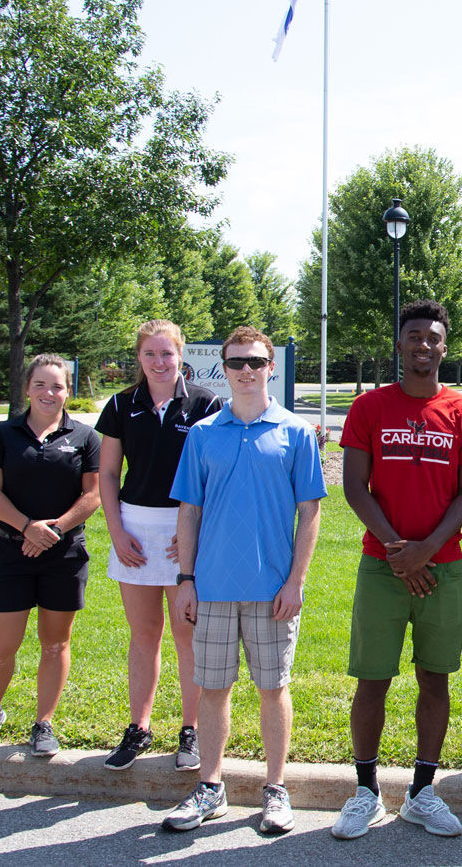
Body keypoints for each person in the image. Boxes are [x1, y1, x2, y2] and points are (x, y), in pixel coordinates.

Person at [332, 300, 462, 841]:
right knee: (371, 680)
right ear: (400, 345)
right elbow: (356, 487)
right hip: (382, 567)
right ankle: (366, 791)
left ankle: (423, 792)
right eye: (414, 335)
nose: (424, 344)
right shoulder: (369, 408)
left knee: (434, 679)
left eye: (433, 337)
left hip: (442, 568)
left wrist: (427, 551)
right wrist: (401, 552)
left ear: (446, 348)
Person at [161, 327, 325, 835]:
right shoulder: (204, 434)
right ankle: (210, 787)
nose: (246, 370)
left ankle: (275, 789)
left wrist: (296, 581)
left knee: (273, 688)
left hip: (273, 590)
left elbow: (310, 513)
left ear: (270, 367)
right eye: (236, 363)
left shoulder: (296, 433)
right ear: (223, 369)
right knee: (212, 689)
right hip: (210, 587)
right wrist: (185, 579)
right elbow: (188, 511)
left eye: (256, 361)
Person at [96, 320, 222, 771]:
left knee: (187, 637)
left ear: (181, 355)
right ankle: (139, 727)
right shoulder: (119, 405)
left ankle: (190, 731)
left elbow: (214, 475)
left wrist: (193, 531)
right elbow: (107, 475)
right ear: (139, 358)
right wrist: (116, 532)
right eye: (150, 354)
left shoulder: (206, 403)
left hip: (183, 530)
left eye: (167, 354)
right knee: (143, 636)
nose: (159, 362)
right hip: (134, 531)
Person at [0, 355, 101, 756]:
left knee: (55, 644)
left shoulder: (84, 437)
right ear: (27, 388)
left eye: (57, 386)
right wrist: (28, 527)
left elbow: (92, 494)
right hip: (11, 553)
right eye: (41, 385)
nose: (49, 393)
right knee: (2, 647)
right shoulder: (2, 435)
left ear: (68, 391)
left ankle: (43, 723)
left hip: (64, 556)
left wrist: (54, 530)